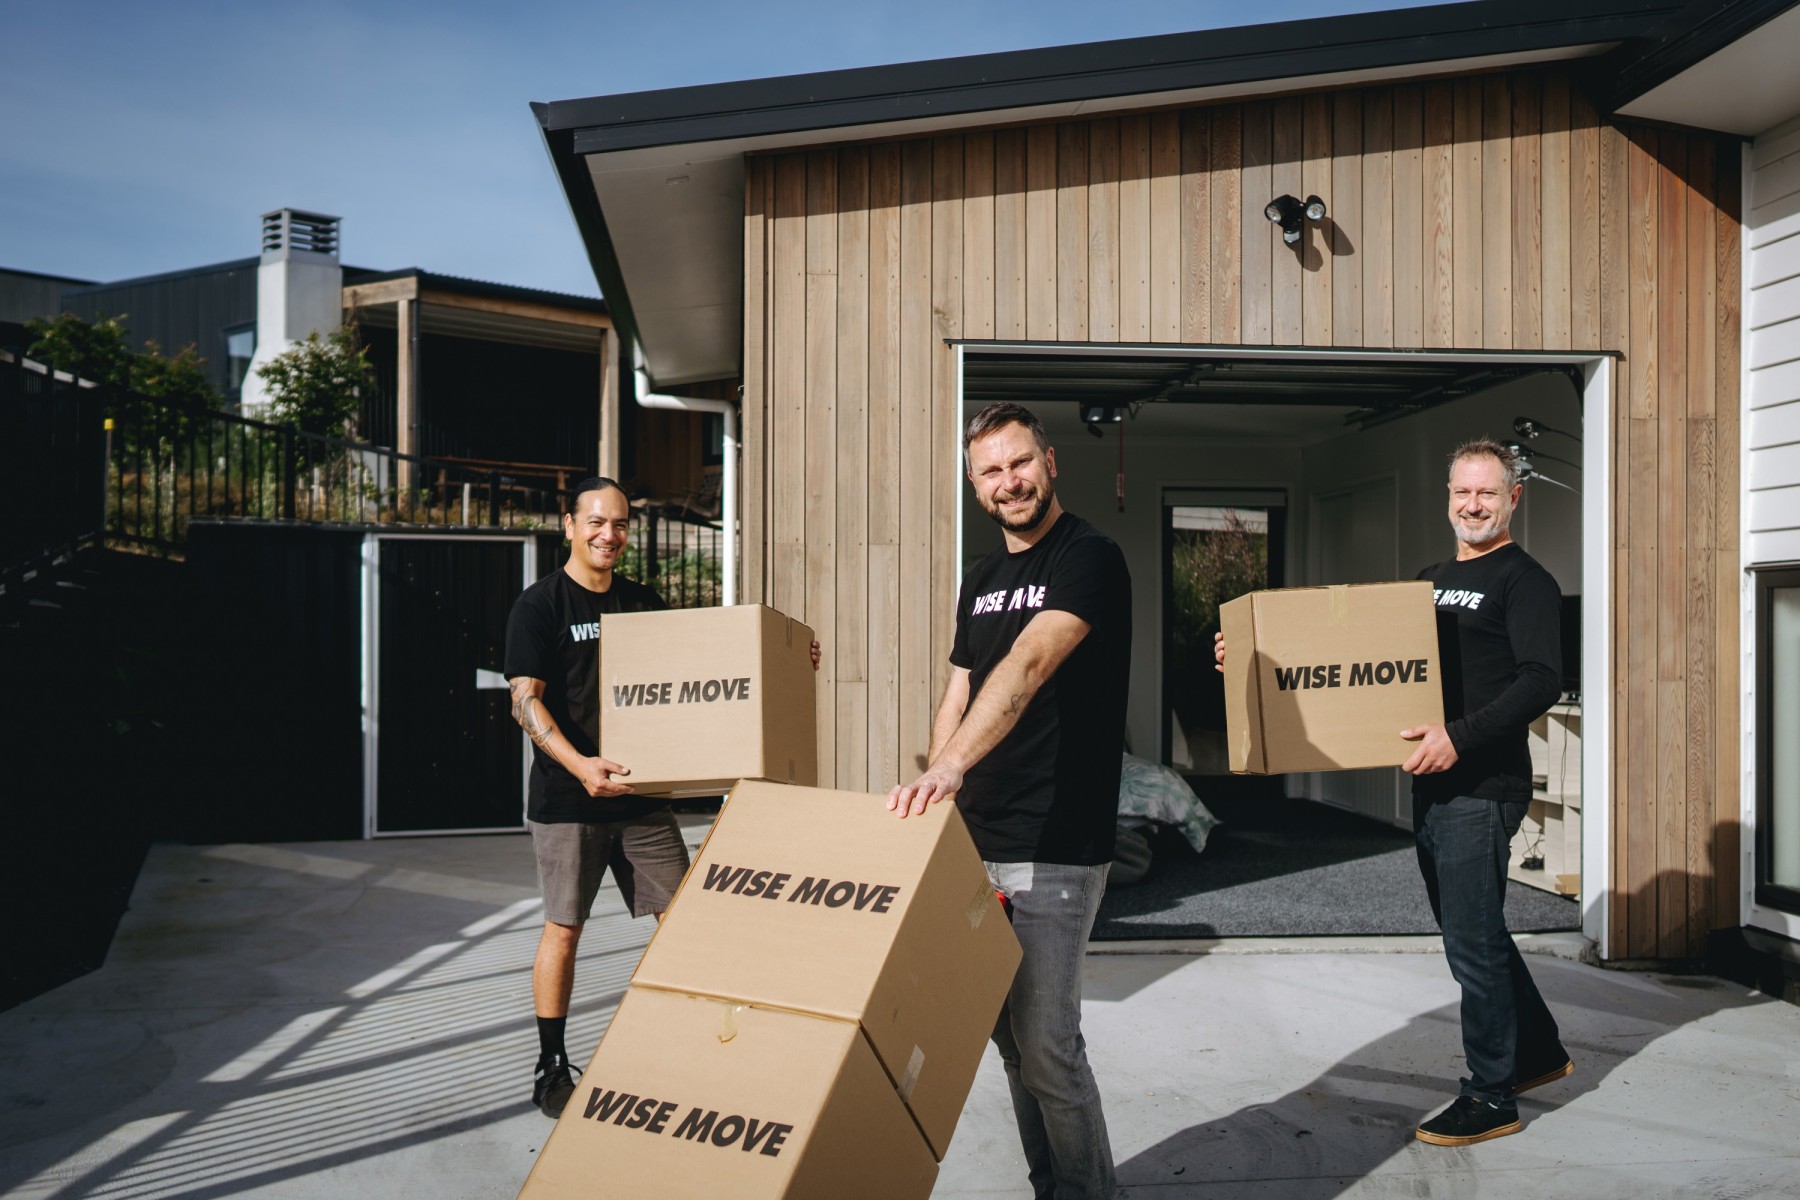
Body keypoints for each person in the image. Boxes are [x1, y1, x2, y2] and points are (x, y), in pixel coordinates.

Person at [1214, 436, 1572, 1148]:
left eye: (1487, 493)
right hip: (1433, 787)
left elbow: (1539, 679)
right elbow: (1361, 658)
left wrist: (1459, 737)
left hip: (1482, 783)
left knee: (1471, 942)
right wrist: (1249, 655)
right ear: (1449, 498)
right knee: (1476, 932)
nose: (1473, 504)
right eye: (1462, 492)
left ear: (1513, 500)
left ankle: (1492, 1093)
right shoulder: (1428, 580)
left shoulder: (1523, 581)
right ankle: (1533, 1052)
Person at [505, 475, 819, 1118]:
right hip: (571, 799)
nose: (608, 535)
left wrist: (787, 659)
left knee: (682, 923)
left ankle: (686, 1050)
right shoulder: (539, 608)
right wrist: (582, 767)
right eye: (595, 522)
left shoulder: (644, 604)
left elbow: (704, 674)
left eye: (620, 524)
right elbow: (524, 701)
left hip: (642, 798)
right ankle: (551, 1064)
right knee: (564, 930)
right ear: (569, 525)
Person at [889, 402, 1130, 1200]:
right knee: (1008, 1041)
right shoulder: (982, 577)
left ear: (1050, 462)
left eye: (1020, 463)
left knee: (1049, 1043)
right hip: (974, 841)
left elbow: (1029, 663)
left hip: (1055, 841)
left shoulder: (1088, 557)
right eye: (991, 471)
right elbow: (960, 685)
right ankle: (1051, 1189)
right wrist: (937, 779)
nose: (1009, 481)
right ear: (973, 484)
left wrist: (952, 766)